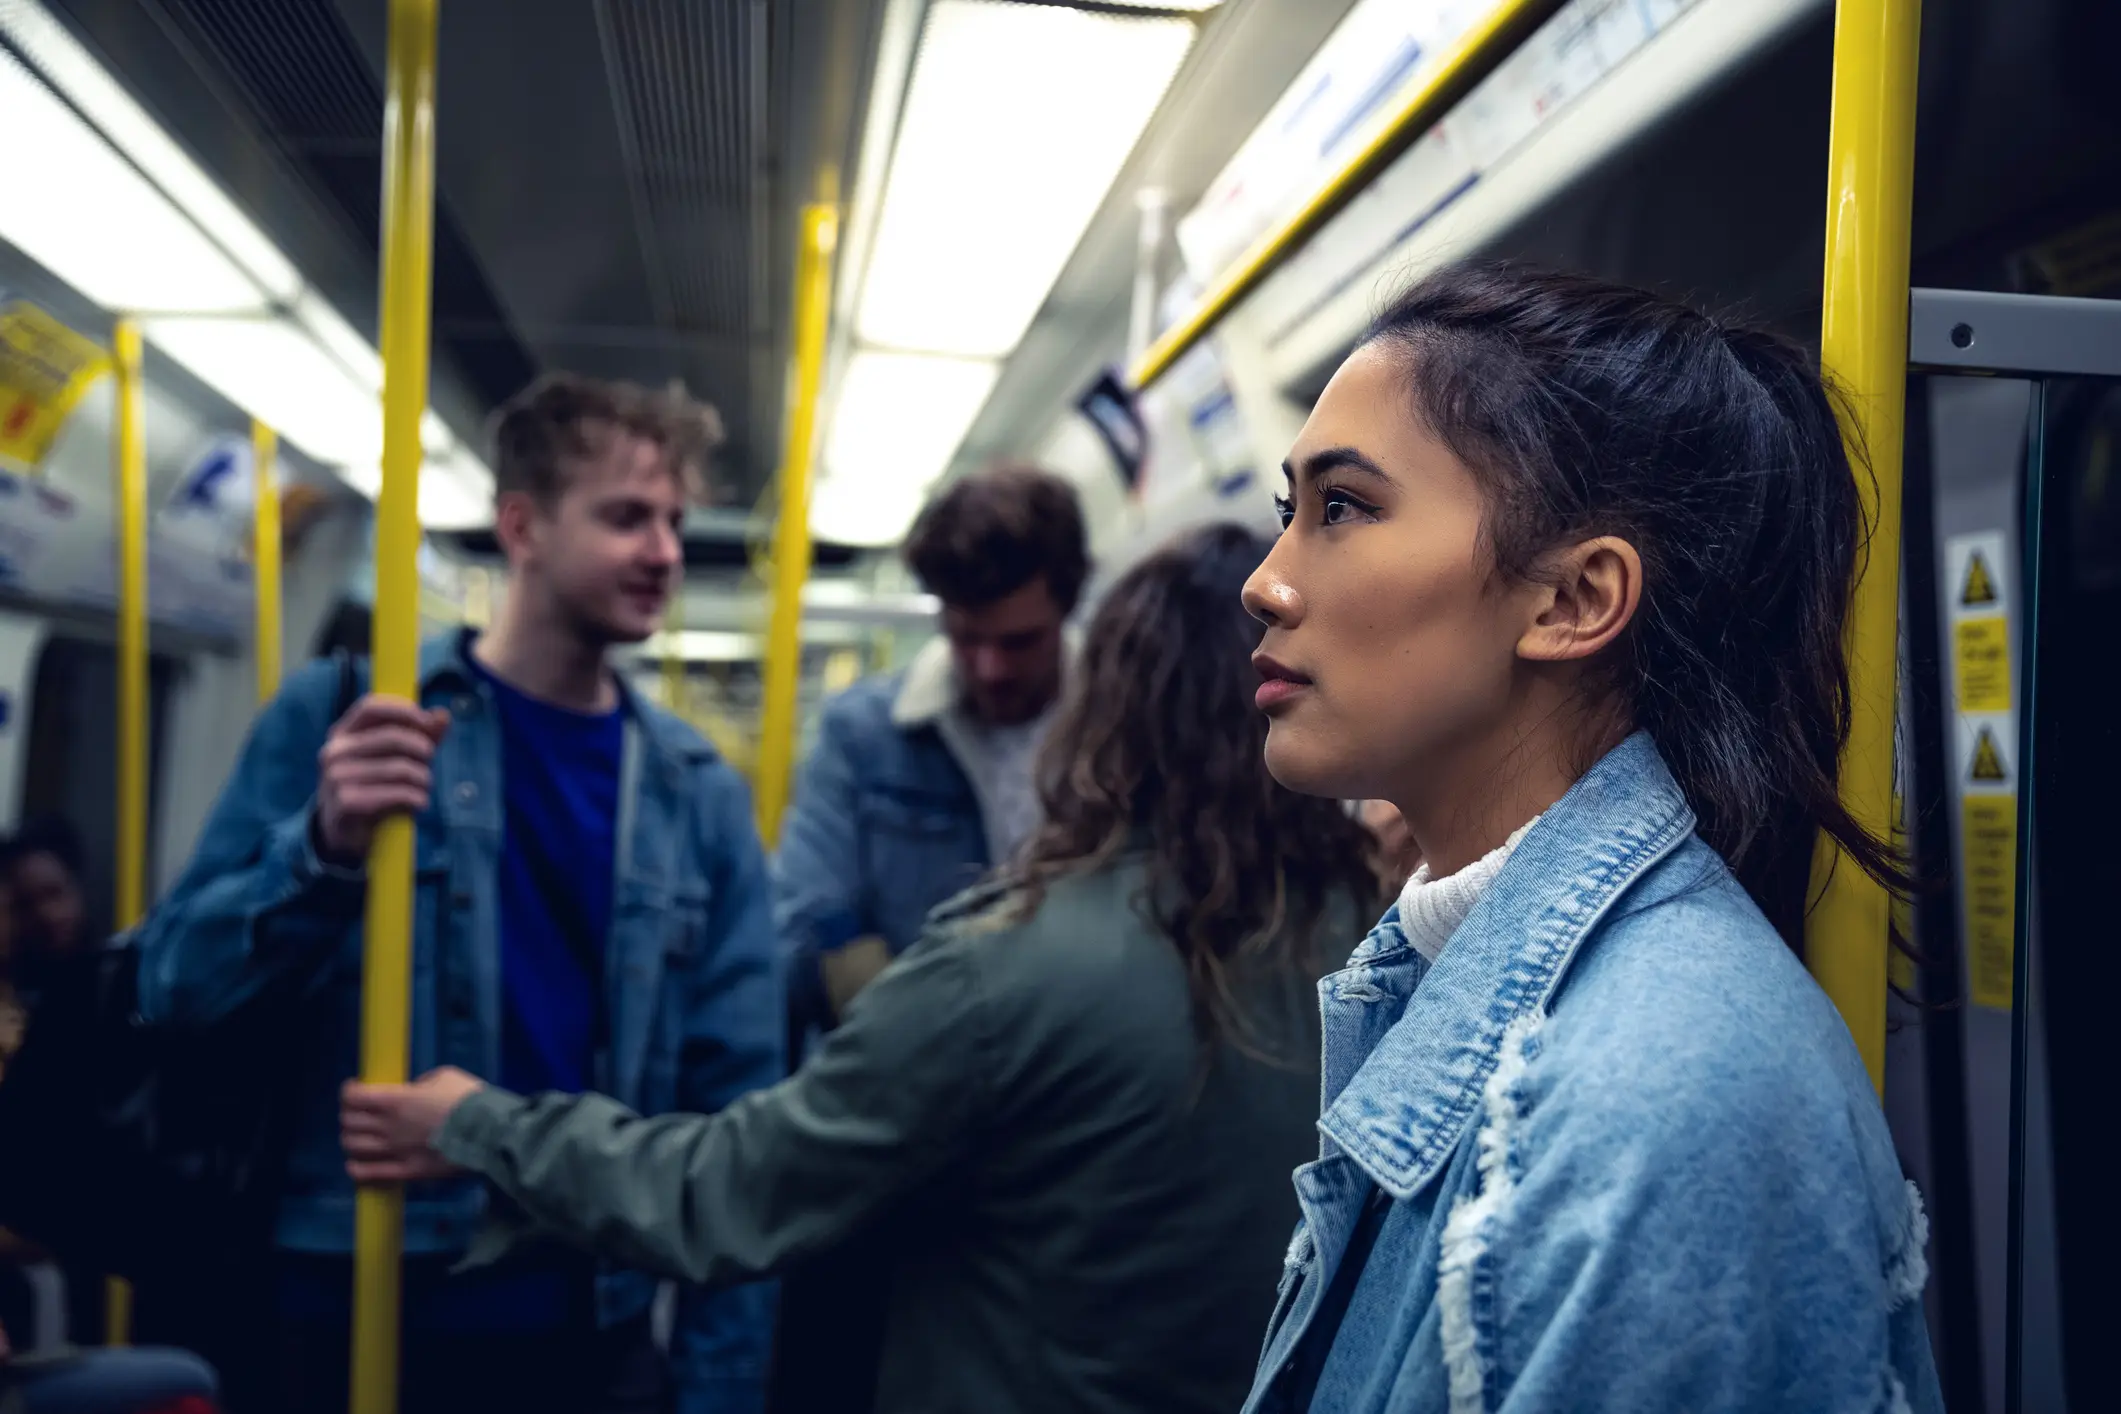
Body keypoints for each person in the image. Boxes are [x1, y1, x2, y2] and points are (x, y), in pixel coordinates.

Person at [337, 523, 1386, 1414]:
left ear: (1112, 704)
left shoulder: (1005, 970)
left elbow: (725, 1192)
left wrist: (476, 1123)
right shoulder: (1390, 947)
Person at [1231, 263, 1942, 1410]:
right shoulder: (1480, 985)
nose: (1266, 583)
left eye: (1345, 508)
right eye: (1288, 514)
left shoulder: (1666, 1090)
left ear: (1572, 601)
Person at [132, 374, 781, 1414]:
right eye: (626, 517)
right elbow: (169, 991)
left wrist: (724, 1382)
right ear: (521, 525)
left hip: (594, 1316)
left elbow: (740, 1115)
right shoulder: (346, 718)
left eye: (673, 520)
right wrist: (323, 849)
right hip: (354, 1292)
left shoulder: (697, 795)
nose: (664, 551)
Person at [776, 464, 1088, 1039]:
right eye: (966, 638)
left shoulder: (1129, 733)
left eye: (1019, 641)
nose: (990, 669)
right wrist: (926, 1045)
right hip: (908, 1081)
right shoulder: (863, 736)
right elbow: (809, 918)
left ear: (1068, 607)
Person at [1, 819, 91, 987]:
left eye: (54, 893)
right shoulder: (15, 989)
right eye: (26, 903)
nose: (46, 914)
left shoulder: (120, 973)